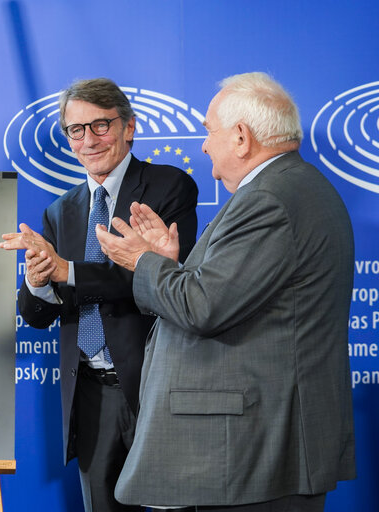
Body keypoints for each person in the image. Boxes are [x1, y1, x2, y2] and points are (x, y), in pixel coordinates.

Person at [96, 72, 356, 511]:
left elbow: (203, 306)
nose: (203, 145)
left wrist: (142, 261)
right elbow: (229, 294)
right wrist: (168, 262)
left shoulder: (269, 199)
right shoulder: (289, 187)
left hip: (256, 450)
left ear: (241, 137)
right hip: (263, 446)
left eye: (208, 131)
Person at [0, 78, 198, 512]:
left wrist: (65, 270)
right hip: (90, 395)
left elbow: (149, 277)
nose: (88, 140)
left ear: (129, 127)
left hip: (154, 387)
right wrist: (38, 279)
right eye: (76, 130)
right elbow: (38, 316)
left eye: (100, 126)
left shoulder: (168, 188)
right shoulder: (60, 211)